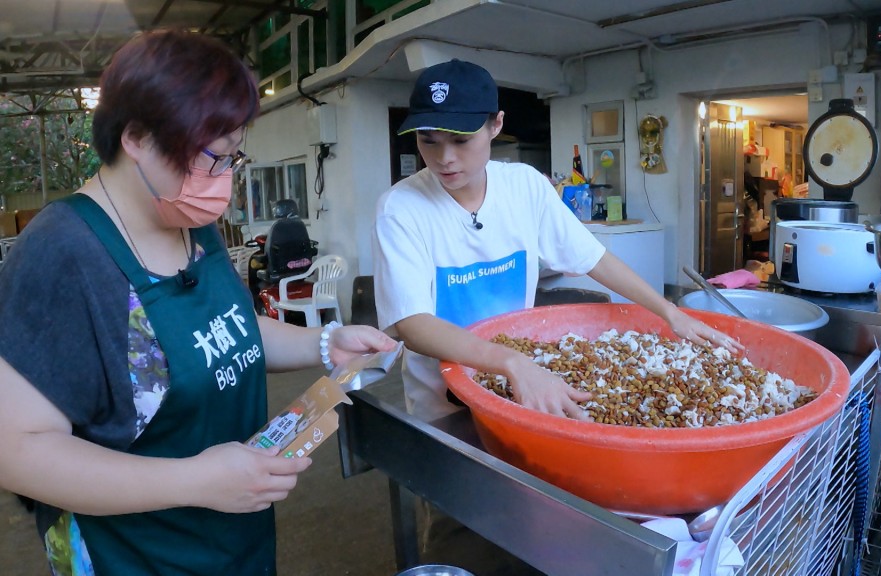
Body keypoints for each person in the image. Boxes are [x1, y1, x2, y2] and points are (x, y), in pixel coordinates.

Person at [0, 30, 397, 575]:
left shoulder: (191, 222)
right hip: (135, 553)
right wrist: (198, 480)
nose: (224, 180)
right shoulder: (62, 254)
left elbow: (231, 332)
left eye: (234, 156)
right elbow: (17, 451)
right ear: (136, 137)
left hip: (231, 535)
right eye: (213, 157)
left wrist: (325, 342)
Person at [372, 59, 741, 423]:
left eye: (460, 140)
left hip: (521, 381)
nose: (444, 158)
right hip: (444, 406)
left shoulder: (523, 186)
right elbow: (412, 324)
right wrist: (512, 362)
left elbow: (593, 257)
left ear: (496, 125)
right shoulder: (401, 208)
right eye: (428, 141)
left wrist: (669, 312)